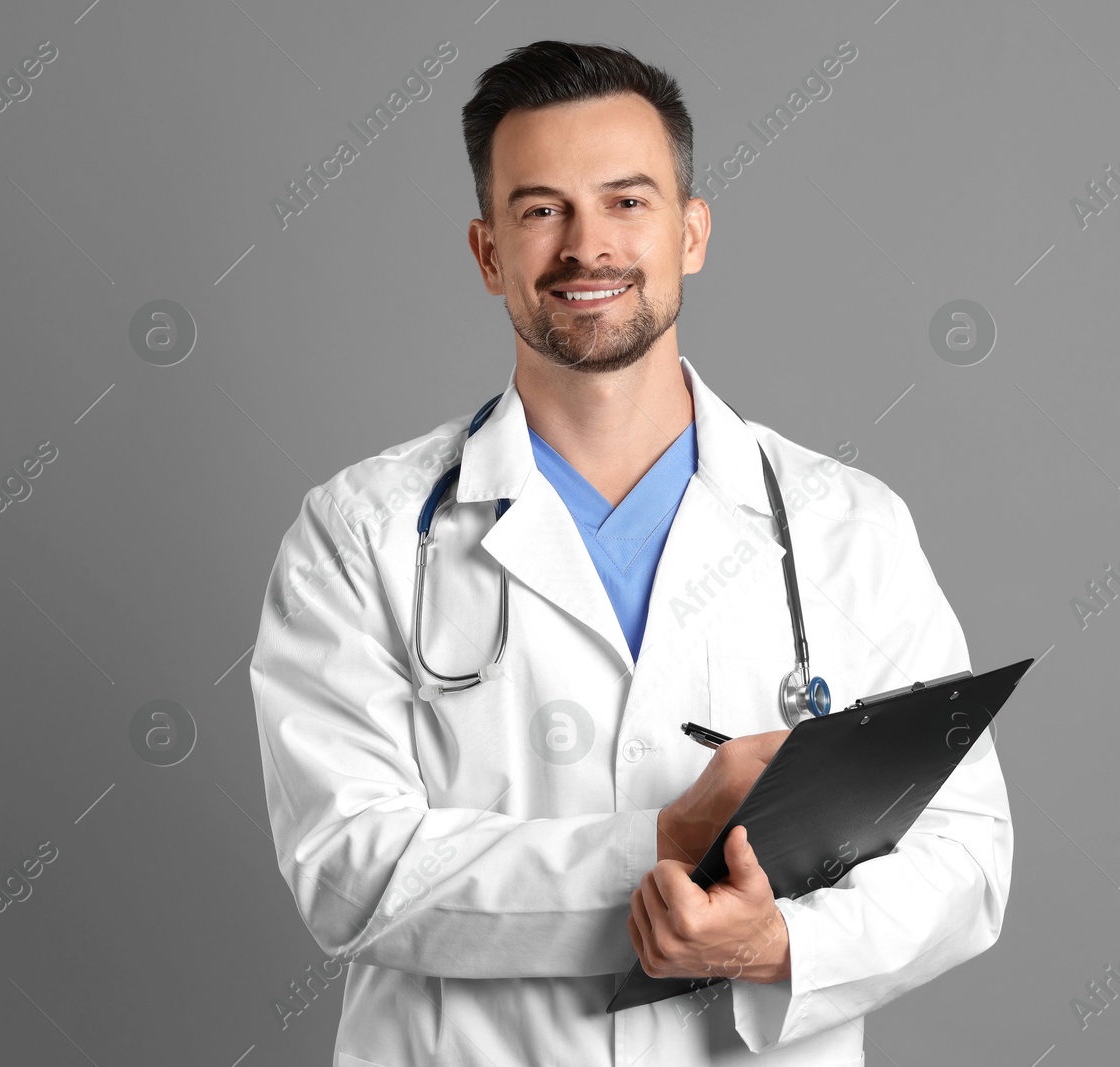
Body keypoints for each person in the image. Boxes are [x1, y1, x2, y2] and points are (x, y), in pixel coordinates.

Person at [250, 39, 1012, 1067]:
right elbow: (348, 869)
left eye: (627, 201)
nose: (585, 246)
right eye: (539, 209)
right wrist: (658, 844)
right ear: (487, 253)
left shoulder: (845, 525)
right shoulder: (363, 531)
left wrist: (782, 940)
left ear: (691, 232)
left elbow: (965, 850)